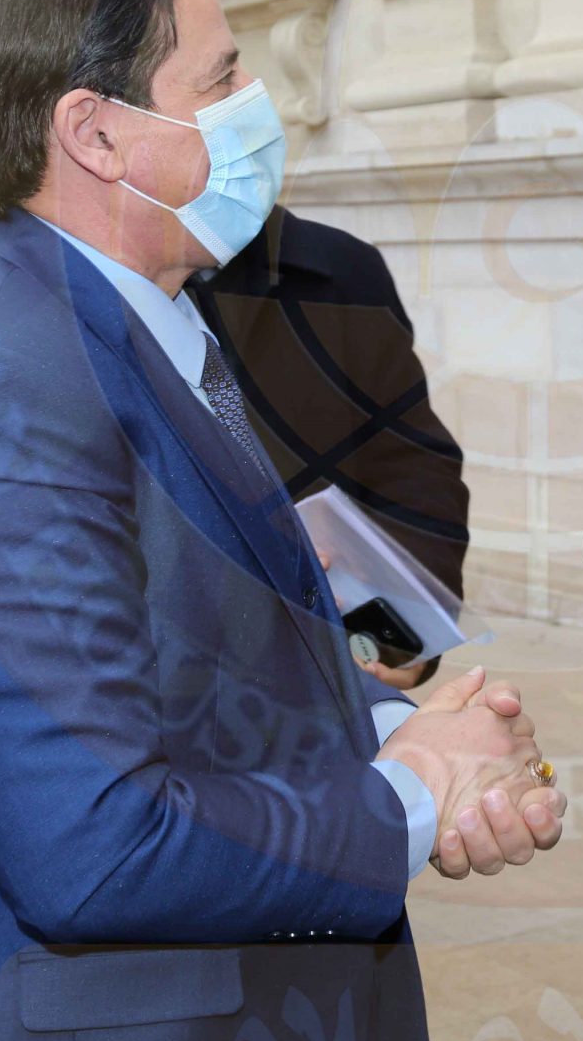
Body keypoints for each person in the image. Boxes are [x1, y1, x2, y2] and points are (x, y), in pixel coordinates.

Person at [0, 0, 565, 1041]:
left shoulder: (142, 322)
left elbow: (212, 656)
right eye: (218, 80)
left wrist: (413, 728)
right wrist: (408, 800)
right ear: (95, 132)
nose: (257, 106)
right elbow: (93, 844)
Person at [193, 205, 470, 692]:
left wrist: (402, 629)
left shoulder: (336, 267)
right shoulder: (59, 284)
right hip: (152, 682)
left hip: (322, 679)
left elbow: (406, 459)